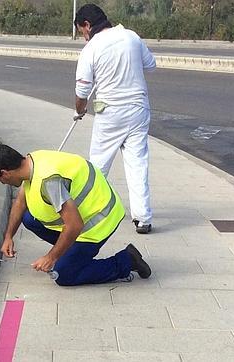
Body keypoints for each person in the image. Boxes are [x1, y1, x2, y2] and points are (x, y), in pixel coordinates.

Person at [0, 144, 151, 286]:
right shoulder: (32, 160)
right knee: (29, 219)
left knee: (63, 274)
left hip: (98, 223)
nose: (3, 183)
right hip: (84, 215)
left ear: (5, 173)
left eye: (0, 180)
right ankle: (71, 252)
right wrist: (8, 237)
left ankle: (127, 261)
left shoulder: (49, 182)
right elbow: (21, 202)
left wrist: (51, 257)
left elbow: (74, 225)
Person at [73, 3, 156, 234]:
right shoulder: (131, 37)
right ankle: (143, 218)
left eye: (82, 31)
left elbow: (82, 92)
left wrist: (79, 111)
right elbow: (151, 64)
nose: (83, 37)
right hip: (139, 109)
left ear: (88, 25)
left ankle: (88, 210)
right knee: (138, 162)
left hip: (109, 112)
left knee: (98, 164)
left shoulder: (91, 49)